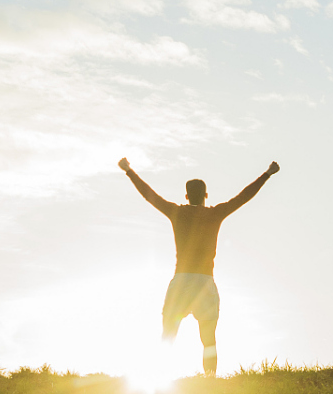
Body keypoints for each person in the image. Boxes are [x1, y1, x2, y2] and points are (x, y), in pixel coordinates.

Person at [118, 157, 279, 377]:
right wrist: (267, 174)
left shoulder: (176, 212)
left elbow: (150, 196)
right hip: (204, 281)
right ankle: (210, 378)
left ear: (186, 196)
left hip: (182, 279)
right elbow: (243, 197)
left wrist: (129, 170)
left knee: (169, 331)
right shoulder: (215, 214)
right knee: (208, 338)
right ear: (206, 195)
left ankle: (159, 376)